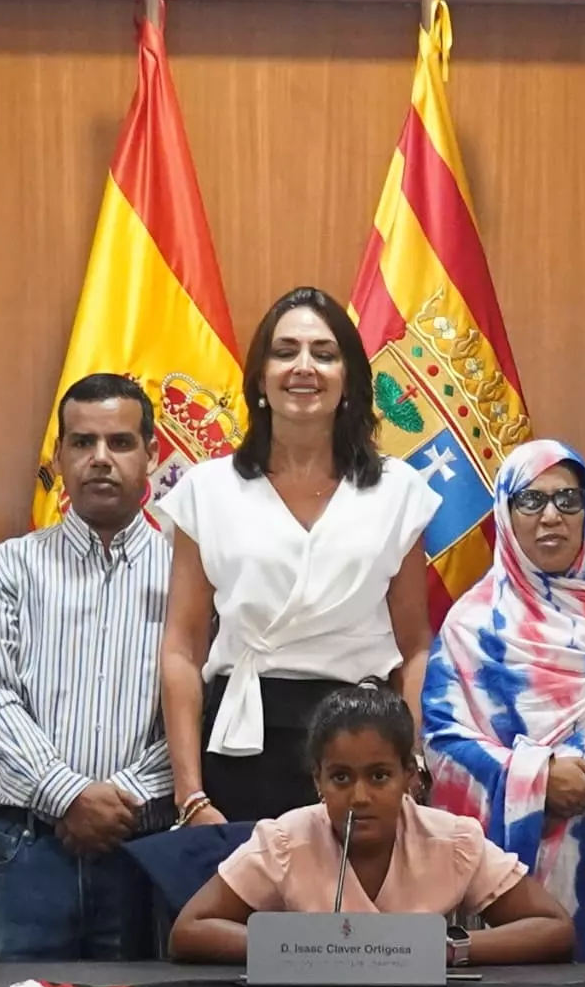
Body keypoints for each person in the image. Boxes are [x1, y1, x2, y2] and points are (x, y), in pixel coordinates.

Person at [160, 285, 438, 826]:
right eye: (285, 352)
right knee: (249, 911)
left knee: (352, 911)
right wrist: (191, 795)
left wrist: (413, 763)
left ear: (350, 379)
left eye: (324, 354)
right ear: (260, 378)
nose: (304, 367)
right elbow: (183, 648)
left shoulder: (399, 490)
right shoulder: (207, 489)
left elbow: (414, 647)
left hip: (364, 743)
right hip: (243, 740)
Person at [0, 372, 179, 965]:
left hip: (145, 847)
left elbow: (201, 708)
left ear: (152, 454)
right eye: (82, 443)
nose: (100, 460)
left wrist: (121, 799)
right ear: (59, 457)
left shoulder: (190, 575)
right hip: (25, 847)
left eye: (120, 442)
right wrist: (69, 795)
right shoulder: (8, 568)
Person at [424, 438, 585, 956]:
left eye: (567, 500)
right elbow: (441, 743)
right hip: (518, 872)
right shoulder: (472, 624)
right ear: (506, 514)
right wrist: (536, 777)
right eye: (531, 500)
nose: (551, 515)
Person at [166, 684, 572, 966]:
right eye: (341, 778)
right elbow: (189, 930)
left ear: (409, 777)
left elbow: (553, 928)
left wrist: (441, 949)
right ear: (317, 782)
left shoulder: (452, 839)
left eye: (379, 776)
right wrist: (303, 949)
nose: (359, 797)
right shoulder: (285, 839)